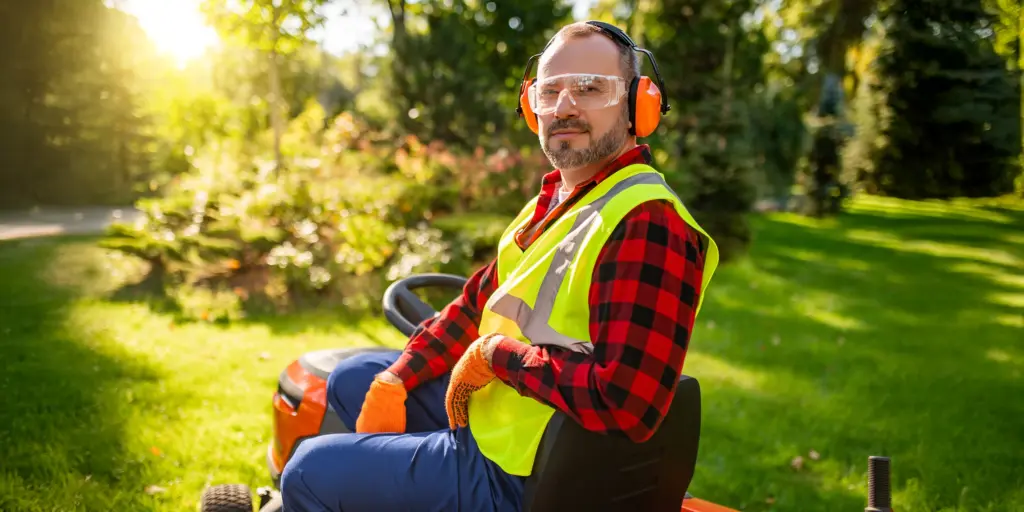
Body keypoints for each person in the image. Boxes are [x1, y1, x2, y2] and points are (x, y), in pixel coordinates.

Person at [279, 20, 720, 512]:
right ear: (533, 107)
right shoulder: (557, 202)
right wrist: (398, 377)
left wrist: (497, 356)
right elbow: (475, 304)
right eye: (550, 91)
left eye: (591, 89)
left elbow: (627, 402)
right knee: (355, 375)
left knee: (307, 472)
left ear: (639, 105)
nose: (565, 106)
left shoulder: (646, 221)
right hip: (511, 421)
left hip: (522, 476)